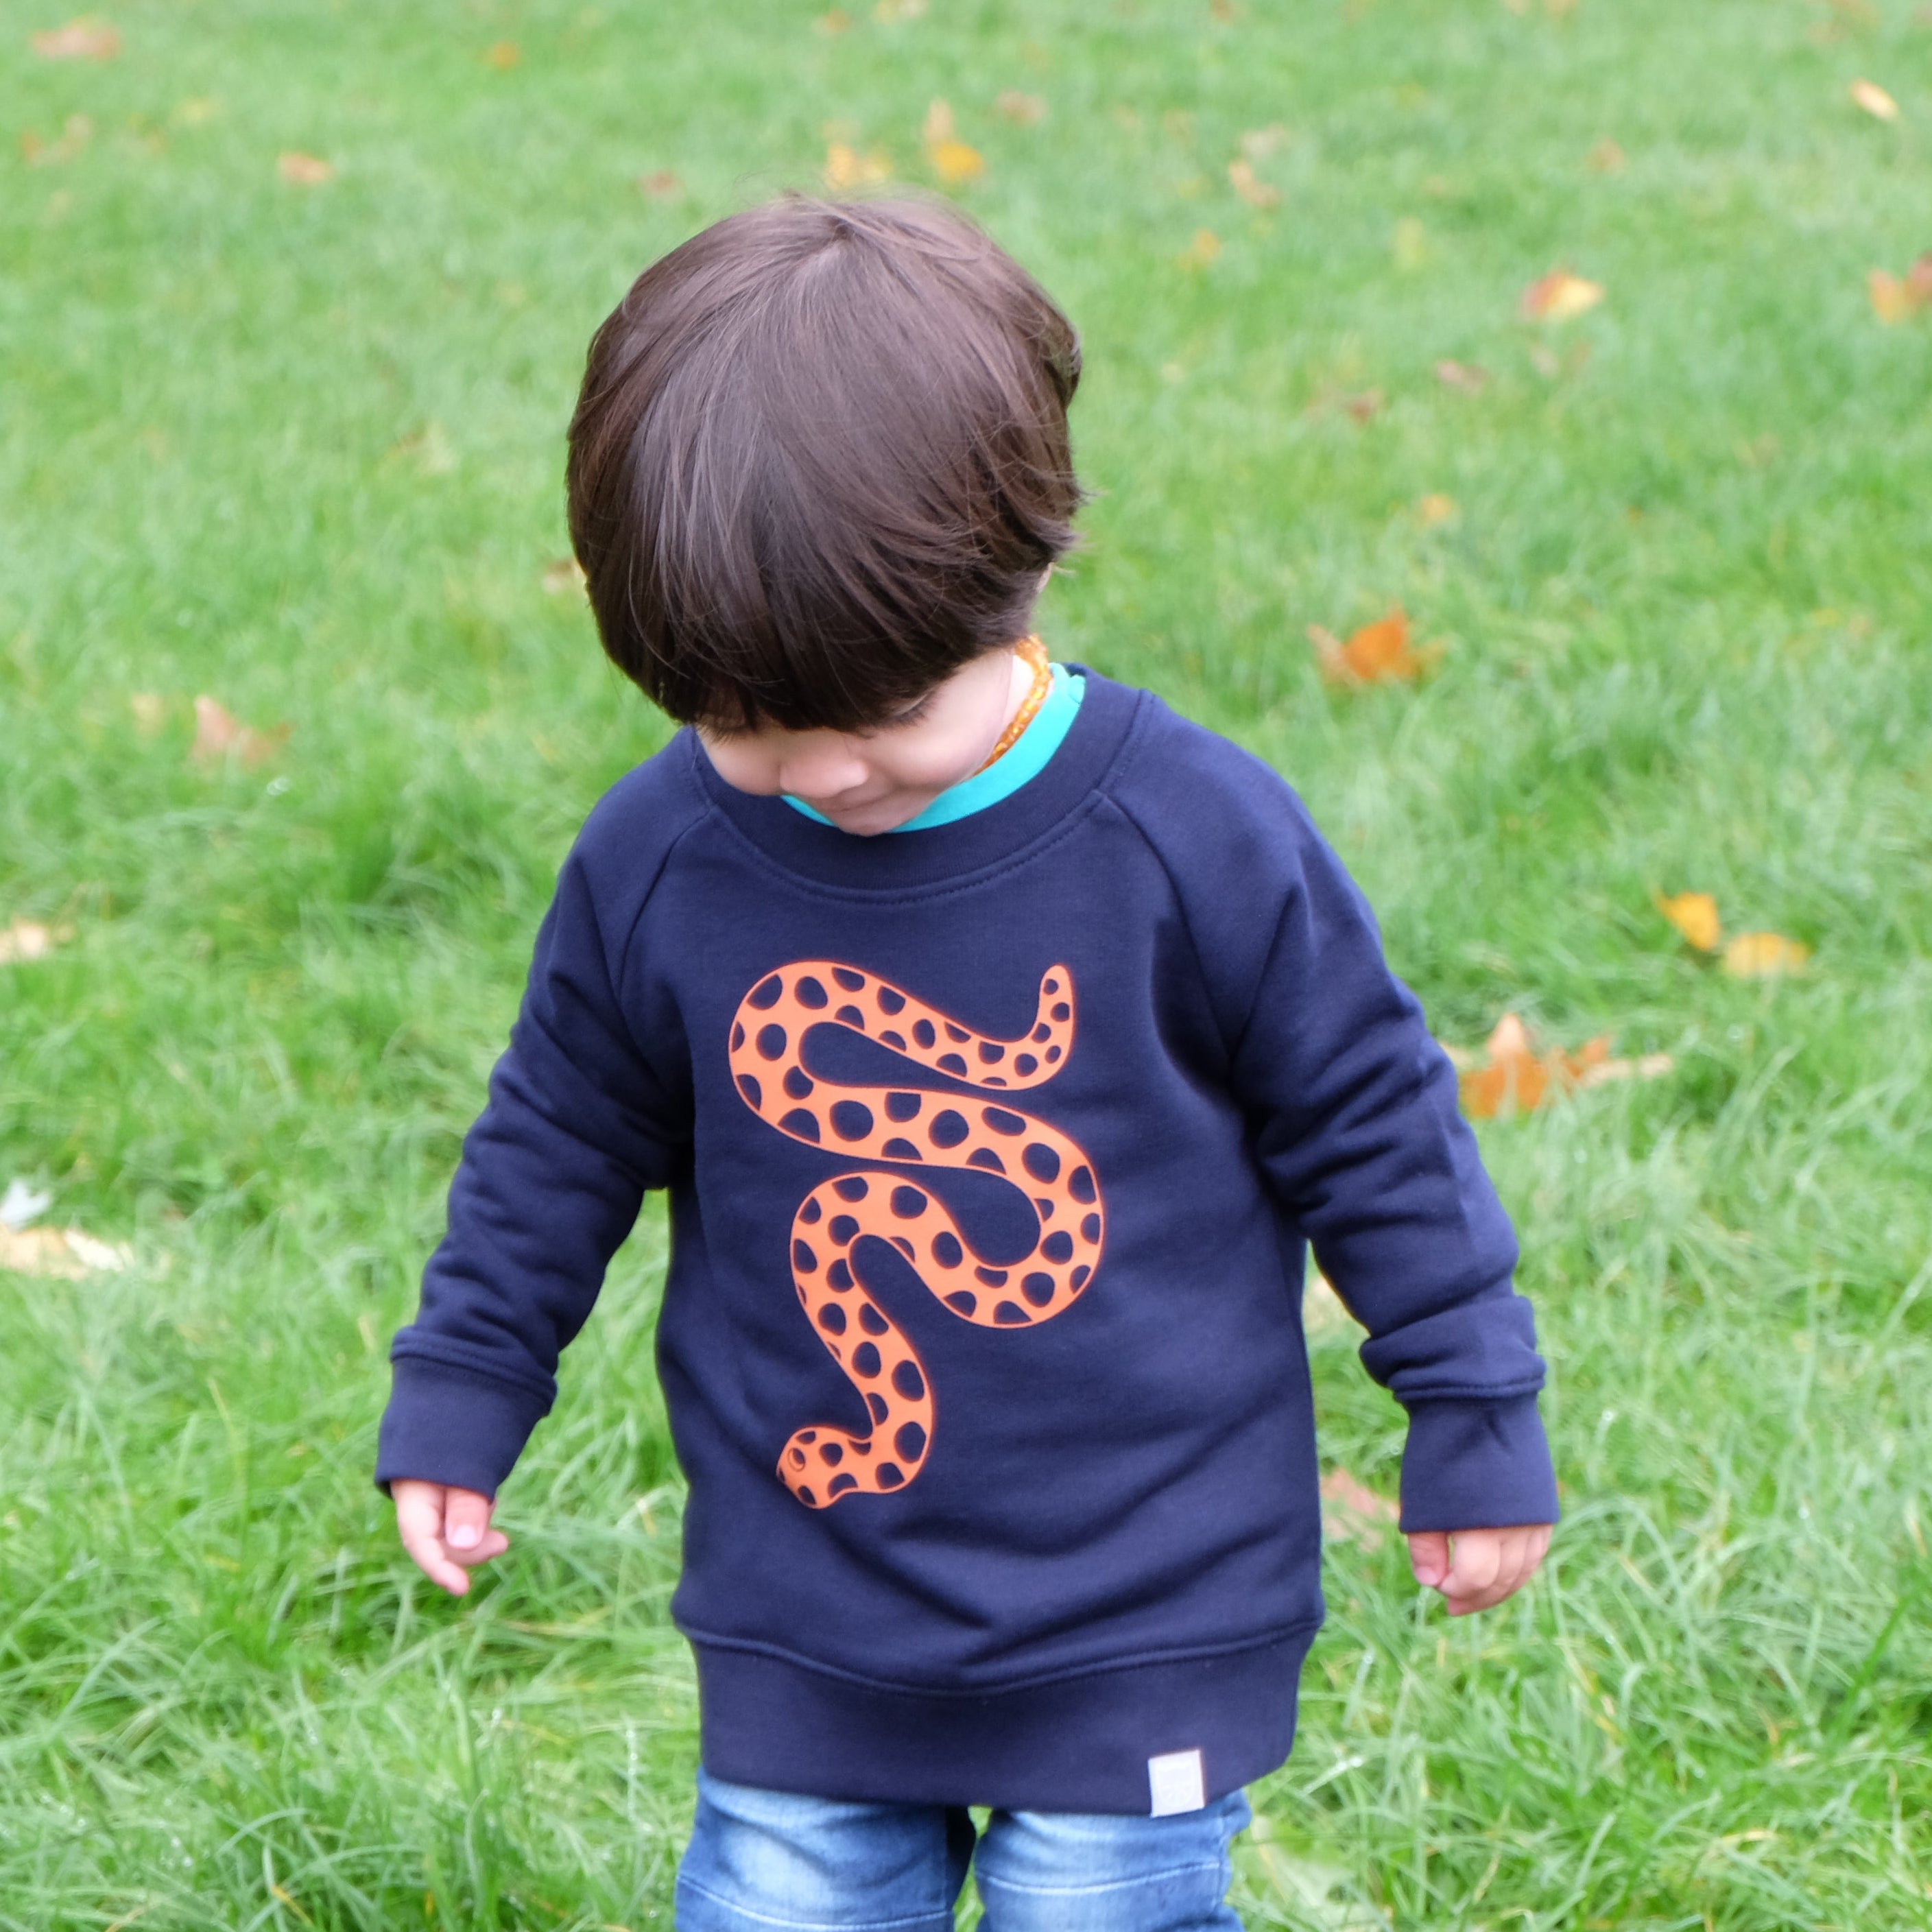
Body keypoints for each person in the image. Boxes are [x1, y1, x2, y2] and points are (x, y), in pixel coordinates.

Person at [376, 194, 1557, 1932]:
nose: (821, 777)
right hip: (811, 1603)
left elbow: (1372, 1120)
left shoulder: (1190, 838)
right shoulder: (663, 862)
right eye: (740, 729)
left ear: (1024, 576)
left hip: (1150, 1595)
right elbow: (553, 1132)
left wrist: (1469, 1405)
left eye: (882, 717)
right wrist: (465, 1389)